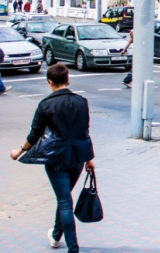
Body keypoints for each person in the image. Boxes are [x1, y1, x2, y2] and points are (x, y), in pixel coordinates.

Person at [9, 63, 96, 252]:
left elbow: (35, 134)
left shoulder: (46, 105)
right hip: (77, 158)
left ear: (50, 82)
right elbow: (85, 131)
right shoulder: (81, 102)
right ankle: (56, 236)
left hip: (56, 158)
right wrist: (89, 158)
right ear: (67, 79)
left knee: (64, 202)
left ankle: (73, 248)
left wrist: (20, 151)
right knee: (65, 198)